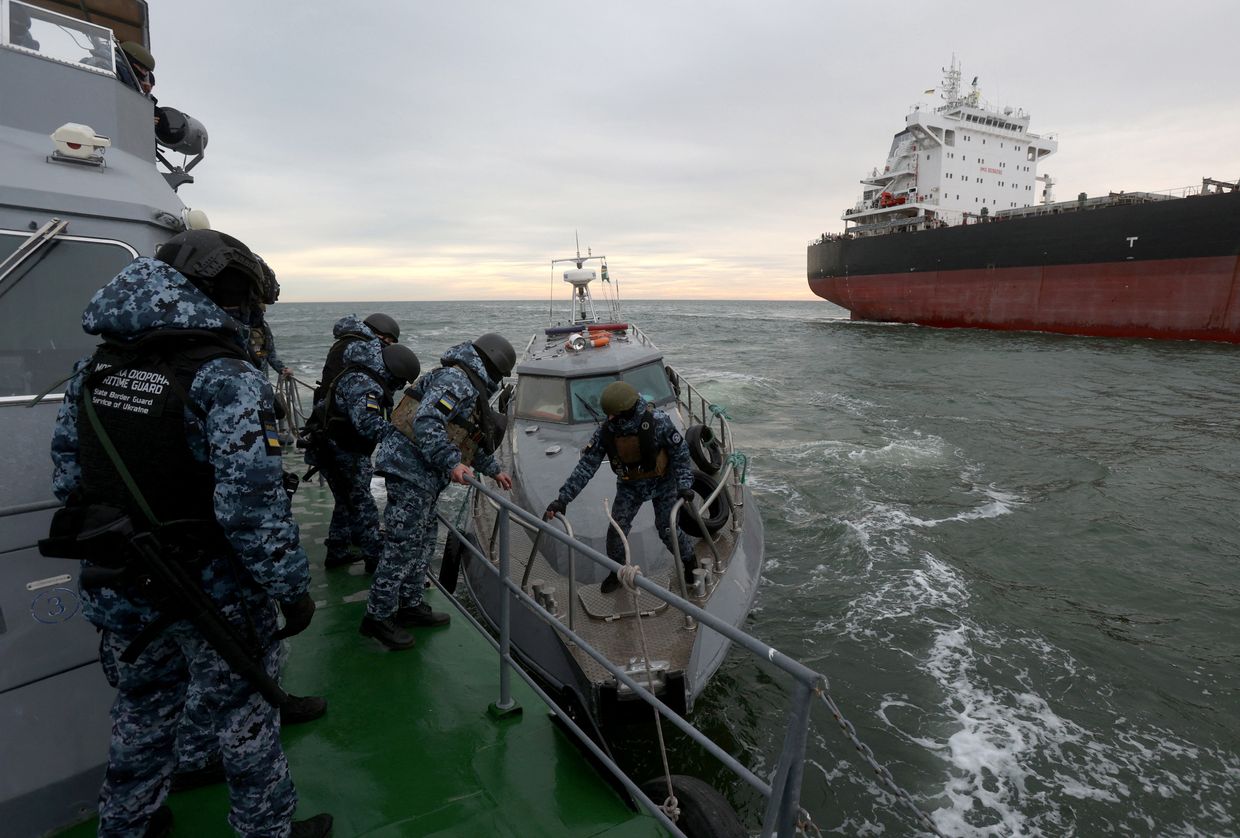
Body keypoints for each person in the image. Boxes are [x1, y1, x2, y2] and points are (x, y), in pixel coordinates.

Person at [48, 230, 331, 837]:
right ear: (228, 295)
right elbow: (249, 510)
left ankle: (128, 825)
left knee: (143, 707)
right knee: (246, 716)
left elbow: (71, 479)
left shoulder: (94, 370)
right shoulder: (224, 379)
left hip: (122, 578)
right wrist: (290, 588)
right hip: (208, 588)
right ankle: (268, 830)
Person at [362, 334, 516, 650]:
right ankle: (377, 616)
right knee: (403, 544)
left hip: (423, 474)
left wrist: (493, 470)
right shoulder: (456, 380)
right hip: (409, 470)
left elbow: (463, 436)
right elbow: (427, 421)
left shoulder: (467, 384)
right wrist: (451, 463)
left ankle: (410, 604)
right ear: (492, 366)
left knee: (425, 539)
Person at [544, 381, 697, 594]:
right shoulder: (607, 432)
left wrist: (684, 485)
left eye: (614, 415)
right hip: (630, 486)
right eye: (608, 415)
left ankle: (690, 561)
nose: (609, 419)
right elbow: (586, 466)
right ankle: (617, 571)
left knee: (667, 529)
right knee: (617, 529)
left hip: (663, 482)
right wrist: (563, 499)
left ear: (628, 409)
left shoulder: (658, 422)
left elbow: (680, 454)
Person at [306, 313, 401, 570]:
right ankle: (374, 558)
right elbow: (365, 420)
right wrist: (397, 436)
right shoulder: (361, 374)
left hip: (331, 437)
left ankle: (337, 550)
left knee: (347, 500)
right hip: (343, 443)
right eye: (387, 343)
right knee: (361, 502)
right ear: (378, 337)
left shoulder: (346, 350)